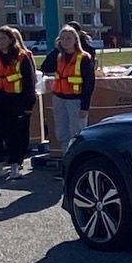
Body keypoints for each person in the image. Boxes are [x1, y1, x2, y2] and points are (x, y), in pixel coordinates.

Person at [0, 24, 37, 178]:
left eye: (3, 38)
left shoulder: (22, 56)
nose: (0, 41)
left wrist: (29, 104)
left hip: (16, 100)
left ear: (11, 40)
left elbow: (29, 81)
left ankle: (15, 164)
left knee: (14, 134)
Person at [42, 25, 95, 161]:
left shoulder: (83, 58)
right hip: (59, 98)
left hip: (76, 100)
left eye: (69, 38)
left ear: (75, 40)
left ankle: (79, 161)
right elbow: (45, 66)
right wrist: (56, 49)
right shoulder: (58, 56)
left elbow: (89, 84)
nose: (65, 41)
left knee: (77, 133)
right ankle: (67, 160)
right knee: (62, 132)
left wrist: (85, 107)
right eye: (63, 38)